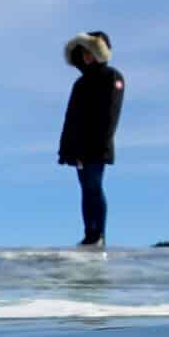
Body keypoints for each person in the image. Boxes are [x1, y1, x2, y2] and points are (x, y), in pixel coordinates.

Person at [57, 30, 124, 247]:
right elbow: (70, 119)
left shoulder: (112, 77)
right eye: (83, 52)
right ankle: (90, 234)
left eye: (90, 51)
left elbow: (110, 115)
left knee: (94, 186)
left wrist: (100, 145)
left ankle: (99, 235)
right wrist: (66, 150)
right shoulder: (80, 84)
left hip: (96, 147)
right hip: (79, 149)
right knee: (86, 188)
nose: (86, 56)